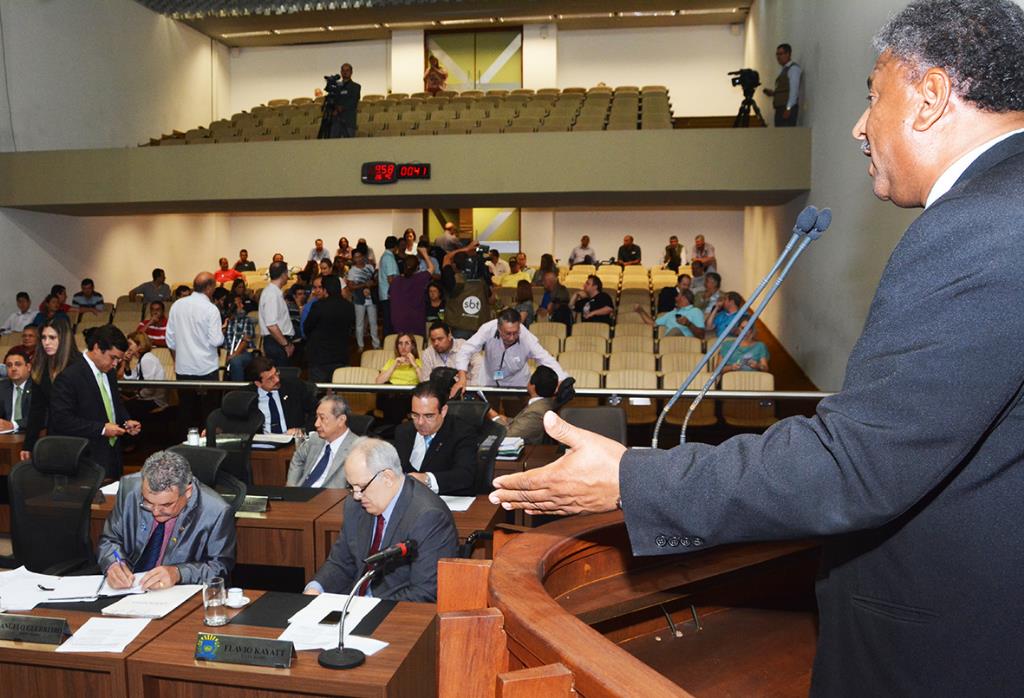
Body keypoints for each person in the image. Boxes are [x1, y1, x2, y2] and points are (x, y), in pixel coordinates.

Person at [491, 2, 1024, 693]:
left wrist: (631, 479)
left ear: (930, 98)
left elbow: (855, 465)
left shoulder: (981, 226)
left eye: (872, 96)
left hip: (944, 649)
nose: (859, 126)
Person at [304, 438, 457, 601]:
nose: (356, 496)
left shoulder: (428, 517)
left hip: (395, 609)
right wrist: (316, 588)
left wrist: (368, 607)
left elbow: (425, 592)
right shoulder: (355, 505)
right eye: (351, 487)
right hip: (353, 603)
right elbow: (341, 562)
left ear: (387, 477)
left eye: (361, 487)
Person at [99, 450, 235, 589]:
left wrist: (178, 573)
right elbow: (110, 539)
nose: (155, 511)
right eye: (148, 502)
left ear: (187, 492)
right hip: (130, 588)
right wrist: (113, 563)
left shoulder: (216, 511)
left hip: (178, 592)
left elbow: (219, 568)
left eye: (166, 505)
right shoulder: (129, 489)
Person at [49, 324, 141, 480]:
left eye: (118, 359)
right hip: (86, 457)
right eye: (113, 357)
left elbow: (114, 404)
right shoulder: (70, 376)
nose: (115, 364)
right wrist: (102, 429)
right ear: (97, 348)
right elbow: (61, 420)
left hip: (112, 454)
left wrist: (126, 421)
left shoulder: (109, 372)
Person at [394, 381, 478, 496]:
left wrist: (427, 479)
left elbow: (465, 475)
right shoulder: (403, 431)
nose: (420, 422)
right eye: (415, 415)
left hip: (448, 498)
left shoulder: (462, 432)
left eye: (428, 416)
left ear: (443, 411)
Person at [453, 308, 568, 391]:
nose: (512, 337)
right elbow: (466, 350)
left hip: (518, 383)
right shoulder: (487, 329)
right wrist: (462, 377)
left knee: (516, 415)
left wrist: (562, 379)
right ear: (499, 329)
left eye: (515, 333)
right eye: (508, 333)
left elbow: (545, 359)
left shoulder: (526, 337)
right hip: (488, 380)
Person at [20, 318, 75, 460]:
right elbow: (37, 409)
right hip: (55, 435)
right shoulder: (41, 367)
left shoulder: (78, 365)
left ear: (64, 339)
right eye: (43, 338)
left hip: (80, 436)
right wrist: (28, 444)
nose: (46, 342)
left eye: (52, 337)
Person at [286, 395, 363, 488]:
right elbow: (298, 457)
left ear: (341, 420)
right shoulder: (315, 439)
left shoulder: (357, 448)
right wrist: (292, 487)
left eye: (322, 418)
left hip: (330, 495)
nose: (316, 424)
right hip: (302, 492)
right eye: (316, 417)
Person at [487, 365, 557, 445]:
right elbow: (524, 423)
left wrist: (494, 417)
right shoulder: (544, 403)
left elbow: (509, 435)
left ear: (533, 386)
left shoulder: (537, 411)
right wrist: (506, 420)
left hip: (528, 449)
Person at [245, 355, 313, 435]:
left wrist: (302, 430)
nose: (277, 380)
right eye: (270, 378)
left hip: (291, 439)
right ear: (258, 383)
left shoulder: (294, 387)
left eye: (276, 373)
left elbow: (316, 410)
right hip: (261, 440)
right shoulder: (246, 396)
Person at [304, 275, 355, 382]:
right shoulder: (348, 306)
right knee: (339, 388)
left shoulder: (319, 306)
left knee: (318, 389)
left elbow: (307, 327)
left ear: (325, 290)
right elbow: (351, 327)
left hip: (320, 356)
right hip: (341, 355)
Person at [418, 321, 482, 386]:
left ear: (449, 336)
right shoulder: (428, 353)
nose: (436, 343)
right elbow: (426, 380)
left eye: (440, 339)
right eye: (433, 340)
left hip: (465, 388)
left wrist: (473, 386)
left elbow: (479, 364)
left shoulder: (463, 346)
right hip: (439, 390)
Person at [119, 330, 168, 415]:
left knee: (123, 408)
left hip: (154, 400)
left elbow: (150, 388)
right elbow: (131, 378)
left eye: (130, 344)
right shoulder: (143, 359)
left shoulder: (147, 359)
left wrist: (137, 396)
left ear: (139, 346)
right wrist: (127, 363)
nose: (128, 347)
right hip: (147, 397)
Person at [258, 261, 295, 367]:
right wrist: (286, 344)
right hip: (276, 342)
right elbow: (271, 325)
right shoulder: (272, 294)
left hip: (277, 341)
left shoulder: (273, 292)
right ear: (283, 274)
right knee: (280, 374)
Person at [389, 253, 434, 336]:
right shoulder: (420, 278)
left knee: (402, 342)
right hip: (415, 320)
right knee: (417, 342)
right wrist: (424, 253)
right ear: (417, 267)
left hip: (398, 320)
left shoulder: (396, 281)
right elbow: (431, 268)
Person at [345, 248, 381, 350]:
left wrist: (372, 284)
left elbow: (376, 280)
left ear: (363, 257)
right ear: (353, 259)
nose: (358, 259)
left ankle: (376, 344)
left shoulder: (370, 267)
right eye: (356, 257)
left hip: (371, 298)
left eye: (360, 256)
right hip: (359, 300)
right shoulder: (352, 271)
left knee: (373, 323)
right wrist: (364, 285)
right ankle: (360, 345)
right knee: (359, 323)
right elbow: (350, 287)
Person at [635, 289, 704, 338]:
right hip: (669, 343)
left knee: (675, 330)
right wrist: (641, 311)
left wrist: (688, 324)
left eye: (678, 296)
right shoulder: (671, 313)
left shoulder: (695, 311)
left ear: (684, 298)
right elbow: (653, 324)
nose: (675, 298)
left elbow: (701, 335)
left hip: (686, 343)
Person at [763, 43, 802, 127]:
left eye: (780, 54)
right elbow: (785, 89)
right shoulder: (784, 69)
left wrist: (788, 108)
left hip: (786, 108)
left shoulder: (793, 69)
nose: (778, 57)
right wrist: (774, 93)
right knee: (780, 132)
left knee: (786, 132)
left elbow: (794, 90)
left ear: (788, 54)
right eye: (777, 54)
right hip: (780, 108)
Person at [222, 294, 255, 382]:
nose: (242, 306)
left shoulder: (246, 320)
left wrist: (234, 354)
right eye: (240, 303)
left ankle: (238, 388)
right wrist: (222, 330)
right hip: (224, 352)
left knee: (235, 361)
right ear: (231, 305)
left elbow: (245, 341)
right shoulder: (223, 319)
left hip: (243, 352)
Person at [0, 347, 32, 433]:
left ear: (28, 367)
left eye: (18, 364)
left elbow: (42, 416)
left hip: (29, 434)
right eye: (9, 365)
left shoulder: (37, 387)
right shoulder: (2, 387)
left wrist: (13, 425)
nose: (13, 368)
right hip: (5, 435)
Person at [377, 235, 400, 336]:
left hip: (385, 293)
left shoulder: (384, 256)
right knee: (390, 321)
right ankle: (388, 341)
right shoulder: (389, 258)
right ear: (395, 246)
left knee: (387, 320)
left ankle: (386, 340)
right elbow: (391, 279)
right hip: (389, 294)